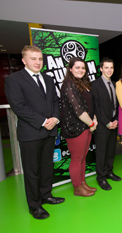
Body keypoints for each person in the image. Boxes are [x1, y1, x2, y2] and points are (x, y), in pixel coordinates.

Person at [4, 45, 64, 220]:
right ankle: (35, 206)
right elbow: (18, 107)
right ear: (24, 60)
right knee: (32, 171)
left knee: (47, 168)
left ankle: (46, 195)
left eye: (40, 59)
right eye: (33, 58)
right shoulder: (14, 79)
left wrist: (55, 118)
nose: (38, 62)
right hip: (30, 133)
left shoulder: (48, 78)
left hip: (50, 131)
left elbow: (55, 101)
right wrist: (43, 121)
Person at [61, 57, 97, 197]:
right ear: (70, 69)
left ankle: (82, 183)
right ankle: (77, 188)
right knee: (77, 159)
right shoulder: (68, 85)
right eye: (77, 67)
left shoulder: (82, 83)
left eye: (83, 68)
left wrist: (92, 120)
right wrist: (92, 123)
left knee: (83, 157)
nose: (81, 70)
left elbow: (89, 106)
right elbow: (78, 110)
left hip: (86, 126)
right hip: (75, 128)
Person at [91, 58, 121, 191]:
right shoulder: (94, 85)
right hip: (102, 125)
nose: (109, 70)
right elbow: (96, 107)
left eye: (111, 67)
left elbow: (119, 104)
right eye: (106, 67)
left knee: (110, 150)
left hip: (114, 123)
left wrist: (116, 120)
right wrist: (107, 122)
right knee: (102, 152)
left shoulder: (115, 84)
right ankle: (101, 177)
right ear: (101, 69)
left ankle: (109, 171)